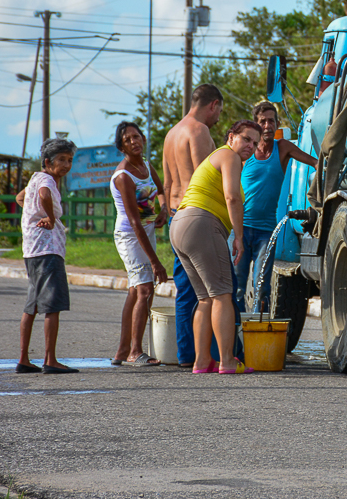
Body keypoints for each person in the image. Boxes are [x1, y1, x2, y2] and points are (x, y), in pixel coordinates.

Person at [169, 120, 261, 374]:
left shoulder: (216, 157)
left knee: (205, 298)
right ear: (231, 137)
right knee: (222, 295)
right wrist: (239, 237)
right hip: (201, 224)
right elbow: (232, 197)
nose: (250, 147)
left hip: (180, 225)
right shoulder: (229, 157)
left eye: (255, 143)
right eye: (246, 139)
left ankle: (201, 361)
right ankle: (228, 361)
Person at [234, 101, 318, 312]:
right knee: (236, 288)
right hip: (241, 229)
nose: (267, 125)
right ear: (255, 125)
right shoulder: (245, 152)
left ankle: (257, 338)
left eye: (271, 120)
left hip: (266, 232)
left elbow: (316, 163)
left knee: (262, 288)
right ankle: (236, 340)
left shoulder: (283, 148)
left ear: (277, 123)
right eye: (262, 121)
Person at [162, 83, 223, 367]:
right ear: (213, 104)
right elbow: (206, 177)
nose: (218, 117)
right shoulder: (199, 131)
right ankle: (208, 354)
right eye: (219, 111)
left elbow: (166, 183)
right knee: (211, 290)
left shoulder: (171, 133)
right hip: (198, 215)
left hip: (176, 215)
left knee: (186, 288)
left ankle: (187, 353)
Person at [15, 138, 79, 375]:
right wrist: (50, 218)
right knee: (52, 306)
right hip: (47, 251)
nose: (66, 164)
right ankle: (50, 360)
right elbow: (43, 196)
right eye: (61, 159)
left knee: (31, 305)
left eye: (69, 160)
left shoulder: (35, 178)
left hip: (32, 251)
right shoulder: (46, 181)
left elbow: (20, 198)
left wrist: (32, 217)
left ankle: (23, 359)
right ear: (47, 162)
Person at [109, 121, 168, 366]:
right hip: (131, 236)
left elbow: (161, 189)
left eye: (137, 136)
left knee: (135, 291)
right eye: (128, 139)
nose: (134, 141)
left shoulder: (145, 166)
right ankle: (135, 351)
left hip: (147, 231)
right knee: (145, 290)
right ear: (121, 147)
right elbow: (134, 221)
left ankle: (122, 352)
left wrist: (163, 209)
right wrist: (156, 263)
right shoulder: (124, 176)